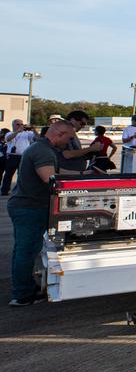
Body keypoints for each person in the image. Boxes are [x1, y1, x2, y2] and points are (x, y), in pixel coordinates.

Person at [7, 120, 77, 306]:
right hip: (30, 207)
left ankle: (24, 287)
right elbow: (49, 178)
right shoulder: (42, 151)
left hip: (25, 206)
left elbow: (55, 170)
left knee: (23, 250)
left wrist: (81, 173)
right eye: (69, 138)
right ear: (60, 133)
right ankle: (22, 295)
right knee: (27, 250)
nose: (69, 142)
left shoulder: (42, 148)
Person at [57, 110, 101, 175]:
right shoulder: (64, 134)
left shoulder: (73, 134)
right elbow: (66, 154)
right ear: (72, 120)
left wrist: (90, 153)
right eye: (82, 123)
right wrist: (91, 149)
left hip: (75, 174)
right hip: (68, 175)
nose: (83, 126)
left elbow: (75, 152)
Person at [1, 120, 36, 195]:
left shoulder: (27, 133)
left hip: (23, 156)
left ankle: (20, 191)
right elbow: (8, 139)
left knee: (22, 175)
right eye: (18, 124)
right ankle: (4, 190)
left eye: (21, 124)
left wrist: (34, 129)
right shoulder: (9, 133)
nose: (20, 125)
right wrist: (17, 131)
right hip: (11, 156)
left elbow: (38, 137)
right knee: (8, 174)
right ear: (13, 125)